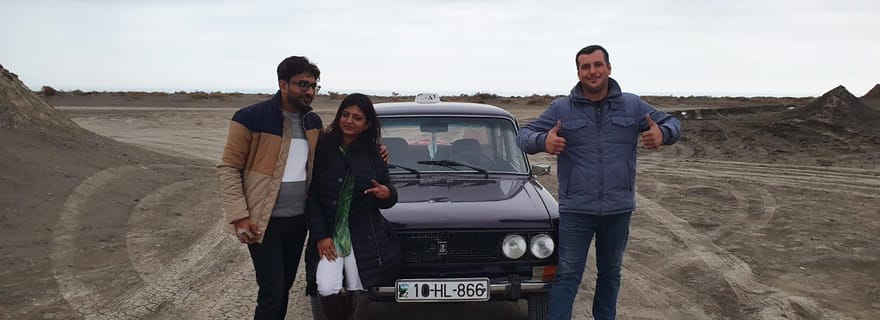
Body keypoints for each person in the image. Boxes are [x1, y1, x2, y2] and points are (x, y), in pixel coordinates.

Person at [516, 45, 682, 320]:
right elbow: (524, 135)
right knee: (568, 273)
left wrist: (663, 134)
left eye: (597, 65)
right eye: (585, 67)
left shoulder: (632, 105)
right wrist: (542, 141)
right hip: (576, 210)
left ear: (608, 68)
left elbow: (673, 123)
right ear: (579, 72)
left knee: (610, 273)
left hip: (618, 210)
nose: (592, 71)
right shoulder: (562, 108)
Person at [216, 56, 323, 320]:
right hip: (264, 224)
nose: (309, 91)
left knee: (283, 288)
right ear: (283, 84)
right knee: (272, 293)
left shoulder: (313, 123)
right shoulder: (250, 118)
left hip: (298, 223)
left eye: (313, 86)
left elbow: (336, 153)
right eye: (303, 85)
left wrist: (376, 150)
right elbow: (228, 168)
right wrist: (239, 216)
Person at [305, 93, 400, 320]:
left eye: (357, 118)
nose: (349, 121)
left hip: (363, 233)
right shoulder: (323, 148)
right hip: (330, 233)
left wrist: (386, 194)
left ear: (367, 125)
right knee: (327, 286)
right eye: (345, 115)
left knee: (360, 286)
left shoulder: (375, 154)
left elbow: (388, 194)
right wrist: (320, 236)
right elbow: (312, 197)